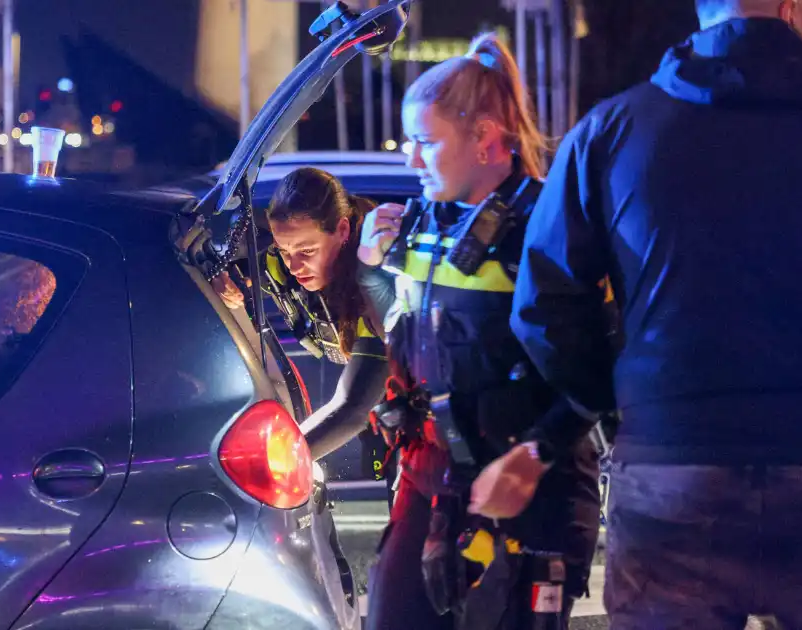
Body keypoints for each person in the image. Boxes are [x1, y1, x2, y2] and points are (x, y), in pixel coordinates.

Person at [501, 1, 802, 628]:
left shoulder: (614, 129)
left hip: (671, 463)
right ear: (793, 10)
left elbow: (544, 305)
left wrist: (624, 393)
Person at [357, 33, 600, 629]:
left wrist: (534, 456)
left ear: (487, 139)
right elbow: (405, 331)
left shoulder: (543, 229)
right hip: (433, 480)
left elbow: (600, 372)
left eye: (425, 142)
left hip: (528, 489)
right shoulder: (420, 222)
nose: (409, 159)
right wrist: (367, 266)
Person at [212, 166, 398, 469]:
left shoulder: (375, 282)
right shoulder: (276, 261)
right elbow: (235, 265)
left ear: (342, 230)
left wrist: (273, 465)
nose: (295, 265)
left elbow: (352, 409)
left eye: (307, 250)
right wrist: (225, 278)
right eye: (285, 250)